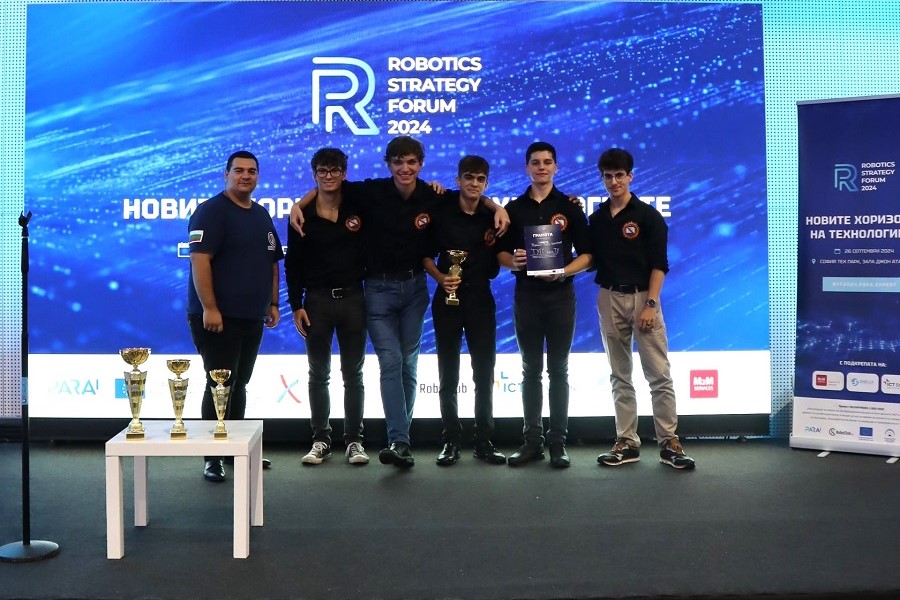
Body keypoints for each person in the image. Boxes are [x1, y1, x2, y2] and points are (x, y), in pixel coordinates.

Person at [289, 136, 509, 469]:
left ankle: (401, 441)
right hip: (377, 289)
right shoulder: (372, 191)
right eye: (398, 162)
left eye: (411, 162)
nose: (405, 168)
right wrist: (298, 204)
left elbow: (469, 194)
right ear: (389, 164)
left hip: (415, 289)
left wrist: (497, 207)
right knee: (390, 362)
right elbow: (330, 185)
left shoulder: (432, 195)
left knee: (408, 364)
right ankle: (399, 441)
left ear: (420, 164)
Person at [588, 148, 695, 470]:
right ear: (602, 179)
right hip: (609, 297)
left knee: (659, 374)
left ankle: (669, 442)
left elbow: (659, 265)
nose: (614, 181)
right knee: (619, 375)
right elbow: (591, 259)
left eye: (619, 175)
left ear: (630, 177)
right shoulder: (597, 219)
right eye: (608, 176)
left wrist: (650, 304)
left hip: (644, 298)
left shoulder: (648, 216)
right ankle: (627, 442)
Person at [187, 150, 283, 482]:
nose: (245, 176)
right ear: (226, 174)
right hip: (218, 318)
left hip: (251, 316)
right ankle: (212, 457)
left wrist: (273, 303)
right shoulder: (211, 211)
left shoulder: (261, 214)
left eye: (251, 171)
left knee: (239, 383)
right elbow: (199, 260)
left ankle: (234, 449)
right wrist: (210, 308)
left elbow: (272, 262)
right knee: (219, 384)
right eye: (239, 170)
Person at [497, 141, 592, 468]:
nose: (541, 167)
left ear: (556, 167)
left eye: (547, 162)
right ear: (527, 167)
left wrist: (563, 271)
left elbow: (589, 255)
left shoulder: (570, 207)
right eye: (535, 162)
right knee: (530, 370)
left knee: (559, 370)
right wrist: (513, 261)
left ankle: (557, 443)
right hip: (527, 296)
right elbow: (500, 253)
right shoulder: (513, 209)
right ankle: (532, 442)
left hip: (560, 296)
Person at [284, 148, 368, 466]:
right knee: (318, 374)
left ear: (344, 173)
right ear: (314, 174)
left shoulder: (359, 203)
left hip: (354, 299)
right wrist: (295, 305)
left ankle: (355, 441)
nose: (329, 176)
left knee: (353, 374)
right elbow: (292, 265)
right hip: (316, 301)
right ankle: (321, 439)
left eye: (334, 170)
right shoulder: (301, 216)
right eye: (322, 171)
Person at [424, 156, 506, 466]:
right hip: (446, 298)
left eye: (480, 179)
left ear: (486, 183)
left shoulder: (493, 216)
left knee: (484, 372)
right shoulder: (441, 207)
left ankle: (484, 440)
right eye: (468, 177)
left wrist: (495, 206)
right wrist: (440, 277)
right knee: (448, 371)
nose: (474, 183)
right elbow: (424, 255)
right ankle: (451, 440)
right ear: (458, 180)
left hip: (480, 298)